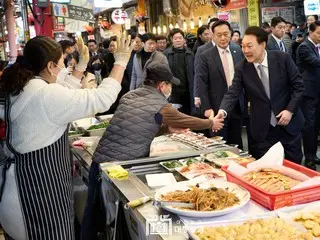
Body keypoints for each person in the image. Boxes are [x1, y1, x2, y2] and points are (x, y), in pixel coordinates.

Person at [0, 33, 133, 239]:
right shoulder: (44, 94)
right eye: (63, 62)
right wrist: (122, 61)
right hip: (37, 200)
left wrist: (80, 67)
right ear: (51, 66)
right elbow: (101, 98)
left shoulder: (24, 85)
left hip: (15, 193)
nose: (64, 67)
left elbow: (61, 95)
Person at [82, 62, 224, 239]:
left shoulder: (129, 95)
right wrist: (211, 123)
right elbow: (184, 120)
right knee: (109, 218)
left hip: (101, 161)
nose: (170, 88)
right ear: (161, 85)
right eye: (169, 85)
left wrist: (166, 130)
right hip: (119, 166)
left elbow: (139, 127)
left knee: (94, 210)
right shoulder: (160, 104)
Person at [216, 26, 305, 164]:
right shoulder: (242, 67)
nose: (245, 51)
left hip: (288, 125)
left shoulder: (282, 59)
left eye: (249, 46)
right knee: (267, 170)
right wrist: (223, 111)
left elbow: (299, 87)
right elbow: (233, 92)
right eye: (243, 46)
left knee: (294, 167)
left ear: (262, 44)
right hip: (263, 129)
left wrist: (290, 110)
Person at [196, 20, 244, 148]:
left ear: (231, 34)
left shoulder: (237, 50)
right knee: (219, 144)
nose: (223, 38)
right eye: (219, 35)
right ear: (212, 35)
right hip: (216, 106)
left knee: (237, 142)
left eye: (226, 34)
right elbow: (202, 83)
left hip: (237, 103)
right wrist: (206, 107)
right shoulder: (205, 55)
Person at [296, 21, 320, 170]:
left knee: (316, 125)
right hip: (309, 93)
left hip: (318, 91)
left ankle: (314, 154)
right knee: (309, 125)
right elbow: (315, 62)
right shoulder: (304, 47)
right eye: (318, 33)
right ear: (310, 32)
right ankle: (309, 157)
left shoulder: (317, 46)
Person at [163, 28, 195, 115]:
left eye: (180, 38)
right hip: (173, 91)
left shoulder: (190, 53)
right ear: (171, 40)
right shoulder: (166, 54)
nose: (178, 40)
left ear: (184, 39)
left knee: (188, 115)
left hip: (188, 90)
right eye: (175, 38)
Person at [194, 17, 219, 108]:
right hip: (211, 93)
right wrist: (197, 95)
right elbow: (198, 74)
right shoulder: (202, 50)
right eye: (213, 28)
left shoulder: (234, 48)